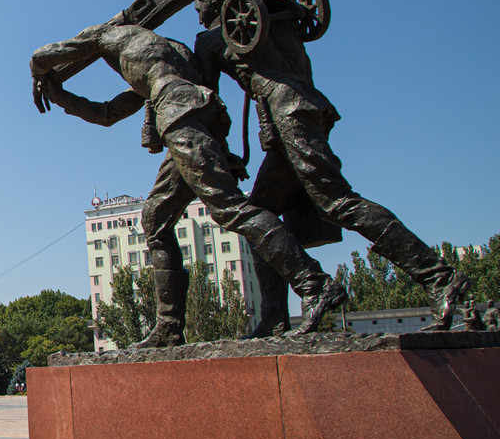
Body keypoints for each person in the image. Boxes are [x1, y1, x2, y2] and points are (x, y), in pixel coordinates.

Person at [31, 21, 347, 346]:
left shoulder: (114, 34)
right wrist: (60, 95)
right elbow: (108, 112)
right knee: (155, 219)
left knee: (229, 208)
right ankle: (169, 328)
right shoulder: (166, 57)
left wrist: (37, 72)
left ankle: (314, 283)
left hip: (180, 117)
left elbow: (44, 55)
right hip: (198, 117)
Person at [193, 0, 470, 334]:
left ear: (213, 1)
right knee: (259, 216)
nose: (197, 14)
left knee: (338, 202)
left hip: (290, 115)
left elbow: (206, 103)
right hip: (309, 110)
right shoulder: (282, 15)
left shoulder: (213, 39)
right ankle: (274, 317)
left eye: (199, 5)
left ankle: (438, 277)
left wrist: (222, 154)